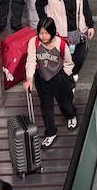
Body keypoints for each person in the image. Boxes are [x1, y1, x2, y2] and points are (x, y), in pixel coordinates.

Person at [26, 20, 78, 148]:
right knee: (46, 106)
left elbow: (68, 62)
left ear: (52, 32)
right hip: (42, 78)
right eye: (41, 33)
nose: (43, 36)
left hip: (58, 76)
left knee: (65, 101)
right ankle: (50, 132)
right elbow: (31, 60)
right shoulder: (34, 42)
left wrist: (66, 75)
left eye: (46, 33)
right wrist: (29, 78)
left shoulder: (60, 44)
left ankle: (71, 115)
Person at [37, 0, 96, 71]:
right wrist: (45, 22)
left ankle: (73, 74)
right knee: (60, 58)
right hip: (59, 32)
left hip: (76, 31)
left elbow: (85, 8)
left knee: (80, 57)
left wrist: (90, 25)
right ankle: (65, 78)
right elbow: (38, 4)